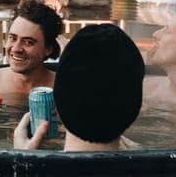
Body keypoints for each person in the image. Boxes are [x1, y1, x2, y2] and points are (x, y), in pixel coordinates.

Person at [13, 23, 145, 152]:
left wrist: (21, 158)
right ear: (137, 107)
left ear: (57, 101)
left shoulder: (26, 164)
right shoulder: (150, 162)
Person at [0, 0, 62, 100]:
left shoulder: (63, 87)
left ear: (48, 49)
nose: (16, 49)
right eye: (13, 38)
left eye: (28, 42)